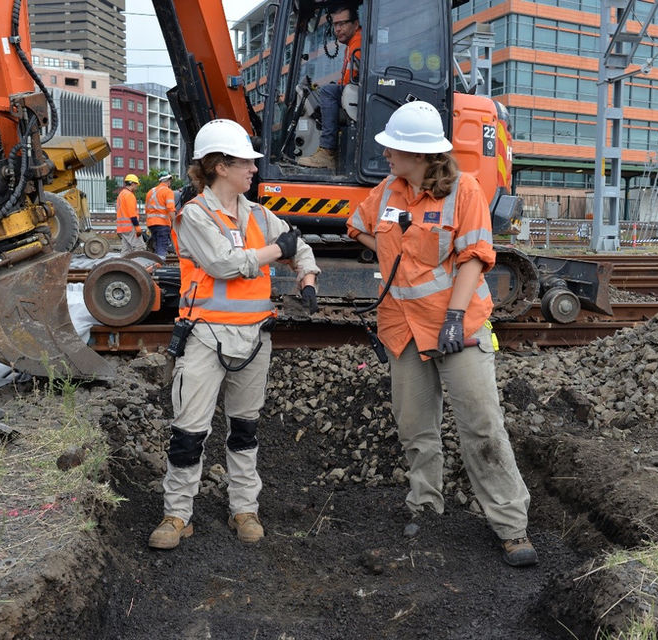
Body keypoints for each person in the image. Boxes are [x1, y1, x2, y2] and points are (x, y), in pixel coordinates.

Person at [345, 101, 538, 568]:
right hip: (402, 328)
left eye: (394, 149)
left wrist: (453, 318)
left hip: (458, 325)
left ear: (420, 155)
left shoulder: (463, 190)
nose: (386, 155)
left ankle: (511, 528)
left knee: (481, 426)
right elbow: (356, 227)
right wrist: (389, 252)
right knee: (416, 428)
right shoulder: (388, 191)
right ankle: (425, 508)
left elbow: (474, 257)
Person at [149, 118, 321, 550]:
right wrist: (276, 251)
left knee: (245, 429)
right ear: (220, 166)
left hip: (253, 339)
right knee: (189, 431)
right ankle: (177, 514)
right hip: (206, 337)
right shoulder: (194, 215)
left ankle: (244, 508)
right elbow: (225, 264)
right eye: (246, 162)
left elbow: (298, 245)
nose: (254, 169)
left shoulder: (259, 214)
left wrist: (307, 275)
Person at [297, 4, 361, 169]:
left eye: (342, 24)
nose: (337, 29)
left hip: (359, 98)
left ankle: (327, 151)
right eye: (335, 24)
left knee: (328, 92)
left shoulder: (358, 44)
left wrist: (332, 89)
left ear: (355, 24)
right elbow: (348, 79)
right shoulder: (352, 45)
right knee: (329, 90)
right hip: (356, 93)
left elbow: (351, 81)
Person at [145, 170, 176, 259]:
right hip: (162, 223)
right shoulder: (168, 191)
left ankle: (155, 263)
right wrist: (175, 221)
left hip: (151, 224)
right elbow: (170, 208)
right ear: (168, 180)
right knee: (162, 247)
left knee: (157, 245)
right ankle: (159, 265)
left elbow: (147, 209)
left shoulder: (150, 191)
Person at [116, 173, 145, 254]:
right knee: (140, 247)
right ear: (132, 183)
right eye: (136, 184)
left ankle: (122, 266)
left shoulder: (121, 194)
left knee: (126, 250)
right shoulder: (129, 195)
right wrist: (137, 226)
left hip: (122, 227)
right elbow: (132, 213)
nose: (137, 186)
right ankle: (138, 265)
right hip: (130, 227)